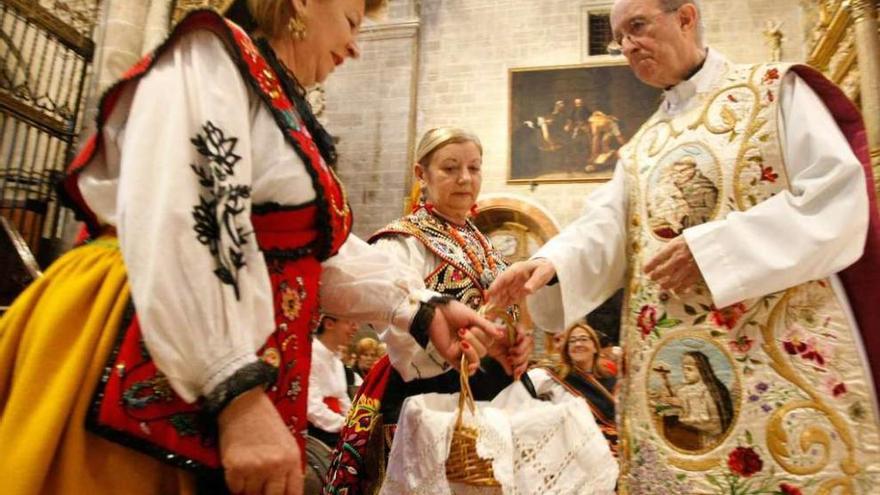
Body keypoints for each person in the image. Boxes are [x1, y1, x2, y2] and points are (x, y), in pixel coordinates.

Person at [0, 2, 513, 494]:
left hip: (207, 360)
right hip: (147, 339)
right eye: (351, 22)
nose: (355, 47)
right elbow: (187, 225)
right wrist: (236, 394)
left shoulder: (274, 97)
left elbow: (314, 248)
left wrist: (420, 309)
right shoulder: (210, 58)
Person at [489, 0, 880, 491]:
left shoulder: (776, 90)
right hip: (668, 370)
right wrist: (549, 262)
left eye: (638, 27)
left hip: (773, 367)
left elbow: (837, 198)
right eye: (619, 38)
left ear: (686, 17)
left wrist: (716, 250)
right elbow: (605, 228)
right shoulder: (641, 147)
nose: (628, 46)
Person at [324, 127, 533, 495]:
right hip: (430, 392)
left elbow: (506, 313)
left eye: (474, 167)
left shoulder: (481, 242)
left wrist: (515, 341)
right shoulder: (402, 241)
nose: (465, 179)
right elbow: (394, 325)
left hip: (492, 392)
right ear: (421, 175)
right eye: (450, 168)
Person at [529, 323, 618, 453]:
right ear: (567, 349)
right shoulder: (554, 377)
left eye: (583, 339)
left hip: (607, 446)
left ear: (595, 347)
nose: (578, 344)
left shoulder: (610, 379)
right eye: (572, 341)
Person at [653, 351, 733, 450]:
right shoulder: (684, 389)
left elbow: (714, 423)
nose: (685, 372)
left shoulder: (710, 390)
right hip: (687, 434)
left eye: (689, 369)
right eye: (684, 369)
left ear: (701, 370)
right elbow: (672, 400)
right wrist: (665, 386)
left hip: (705, 438)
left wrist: (683, 404)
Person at [307, 316, 359, 448]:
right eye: (349, 322)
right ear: (329, 324)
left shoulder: (336, 361)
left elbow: (343, 399)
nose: (356, 328)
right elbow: (312, 408)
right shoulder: (309, 355)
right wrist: (347, 425)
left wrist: (356, 423)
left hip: (335, 426)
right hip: (315, 430)